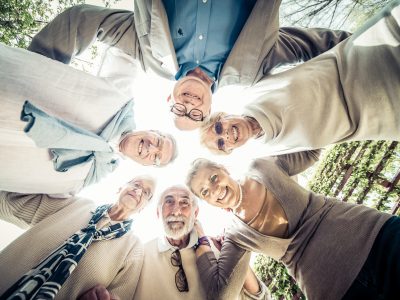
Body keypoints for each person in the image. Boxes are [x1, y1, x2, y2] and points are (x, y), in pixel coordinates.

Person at [27, 0, 351, 130]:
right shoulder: (251, 70)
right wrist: (372, 48)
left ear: (169, 99)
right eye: (197, 115)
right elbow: (313, 45)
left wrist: (33, 79)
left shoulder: (150, 56)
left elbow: (83, 20)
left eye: (179, 111)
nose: (189, 106)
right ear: (211, 107)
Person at [186, 150, 400, 300]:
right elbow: (222, 295)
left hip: (375, 238)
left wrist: (262, 125)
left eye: (213, 177)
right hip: (336, 292)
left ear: (224, 168)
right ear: (206, 201)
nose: (214, 190)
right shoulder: (235, 236)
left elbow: (311, 151)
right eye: (204, 192)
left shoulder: (262, 167)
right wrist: (201, 239)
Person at [200, 0, 400, 155]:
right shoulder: (275, 152)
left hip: (378, 52)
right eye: (220, 144)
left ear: (223, 116)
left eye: (218, 127)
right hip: (390, 116)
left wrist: (355, 44)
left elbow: (298, 44)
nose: (224, 135)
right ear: (230, 151)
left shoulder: (254, 86)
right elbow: (312, 155)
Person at [0, 43, 177, 195]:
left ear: (145, 165)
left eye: (156, 158)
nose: (151, 148)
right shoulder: (120, 96)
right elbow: (126, 40)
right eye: (158, 141)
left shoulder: (88, 177)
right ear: (153, 131)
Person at [0, 176, 156, 300]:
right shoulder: (78, 204)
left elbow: (120, 295)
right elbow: (14, 203)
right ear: (120, 188)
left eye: (146, 193)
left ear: (143, 208)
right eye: (136, 184)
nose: (138, 191)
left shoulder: (134, 248)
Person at [131, 185, 268, 299]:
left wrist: (234, 253)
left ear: (195, 213)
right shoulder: (139, 255)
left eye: (184, 202)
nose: (176, 211)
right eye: (169, 201)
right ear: (158, 213)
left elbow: (260, 297)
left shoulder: (217, 247)